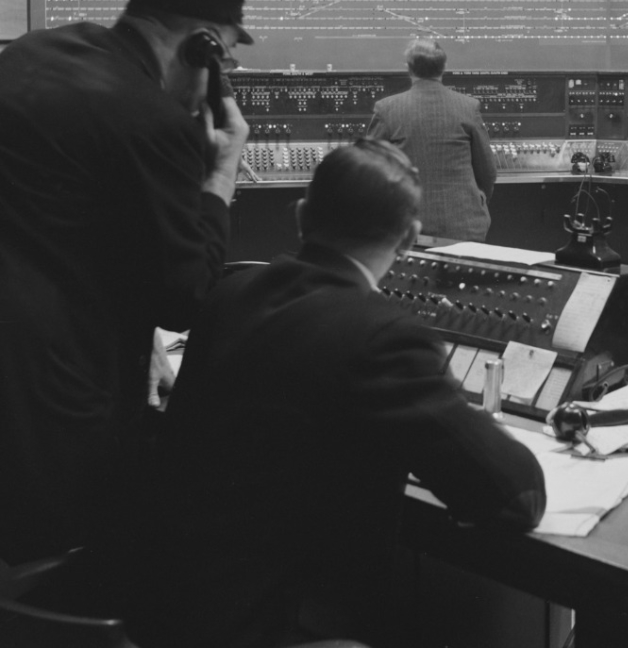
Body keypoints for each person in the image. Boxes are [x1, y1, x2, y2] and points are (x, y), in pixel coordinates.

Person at [127, 139, 545, 648]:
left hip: (164, 616)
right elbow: (512, 495)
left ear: (302, 216)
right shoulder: (384, 334)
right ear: (410, 238)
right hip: (279, 629)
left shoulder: (227, 297)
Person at [0, 0, 257, 565]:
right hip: (53, 392)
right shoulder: (152, 118)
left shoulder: (31, 54)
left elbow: (66, 227)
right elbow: (184, 293)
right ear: (205, 45)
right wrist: (219, 175)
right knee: (58, 559)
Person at [365, 37, 497, 241]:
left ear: (409, 68)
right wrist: (478, 200)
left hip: (408, 230)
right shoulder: (468, 107)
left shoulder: (387, 109)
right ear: (443, 67)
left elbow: (368, 172)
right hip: (466, 228)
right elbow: (487, 171)